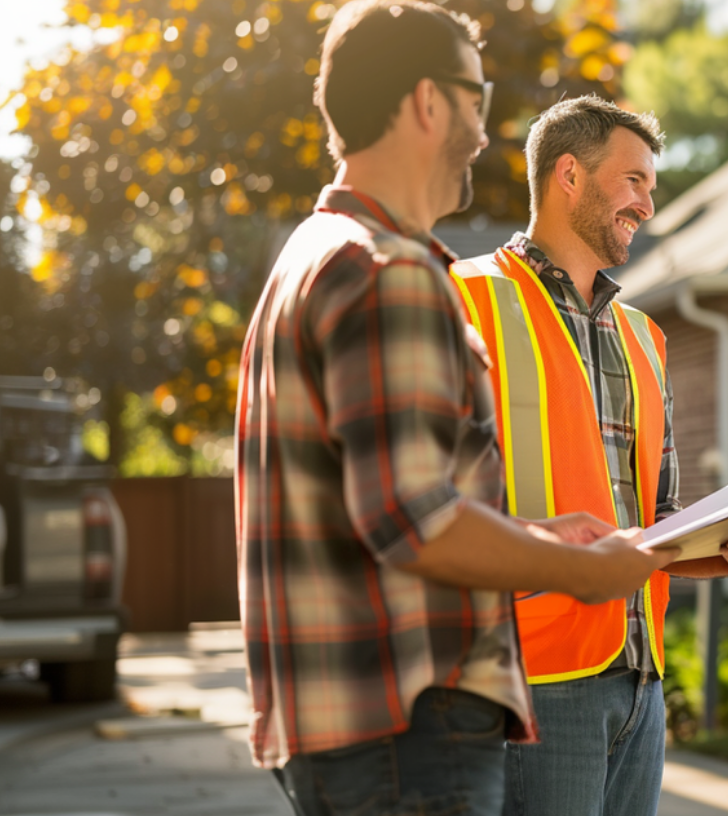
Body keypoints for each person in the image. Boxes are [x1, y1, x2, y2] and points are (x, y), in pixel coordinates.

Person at [234, 6, 676, 815]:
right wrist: (577, 567)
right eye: (476, 100)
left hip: (350, 720)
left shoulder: (313, 253)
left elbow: (385, 497)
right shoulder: (389, 270)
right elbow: (415, 518)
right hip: (409, 721)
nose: (483, 130)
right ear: (429, 102)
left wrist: (545, 536)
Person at [447, 95, 728, 816]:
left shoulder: (644, 336)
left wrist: (719, 551)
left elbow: (655, 522)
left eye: (652, 188)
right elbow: (434, 508)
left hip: (640, 682)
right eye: (634, 181)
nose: (647, 204)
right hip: (529, 678)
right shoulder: (461, 299)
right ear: (568, 174)